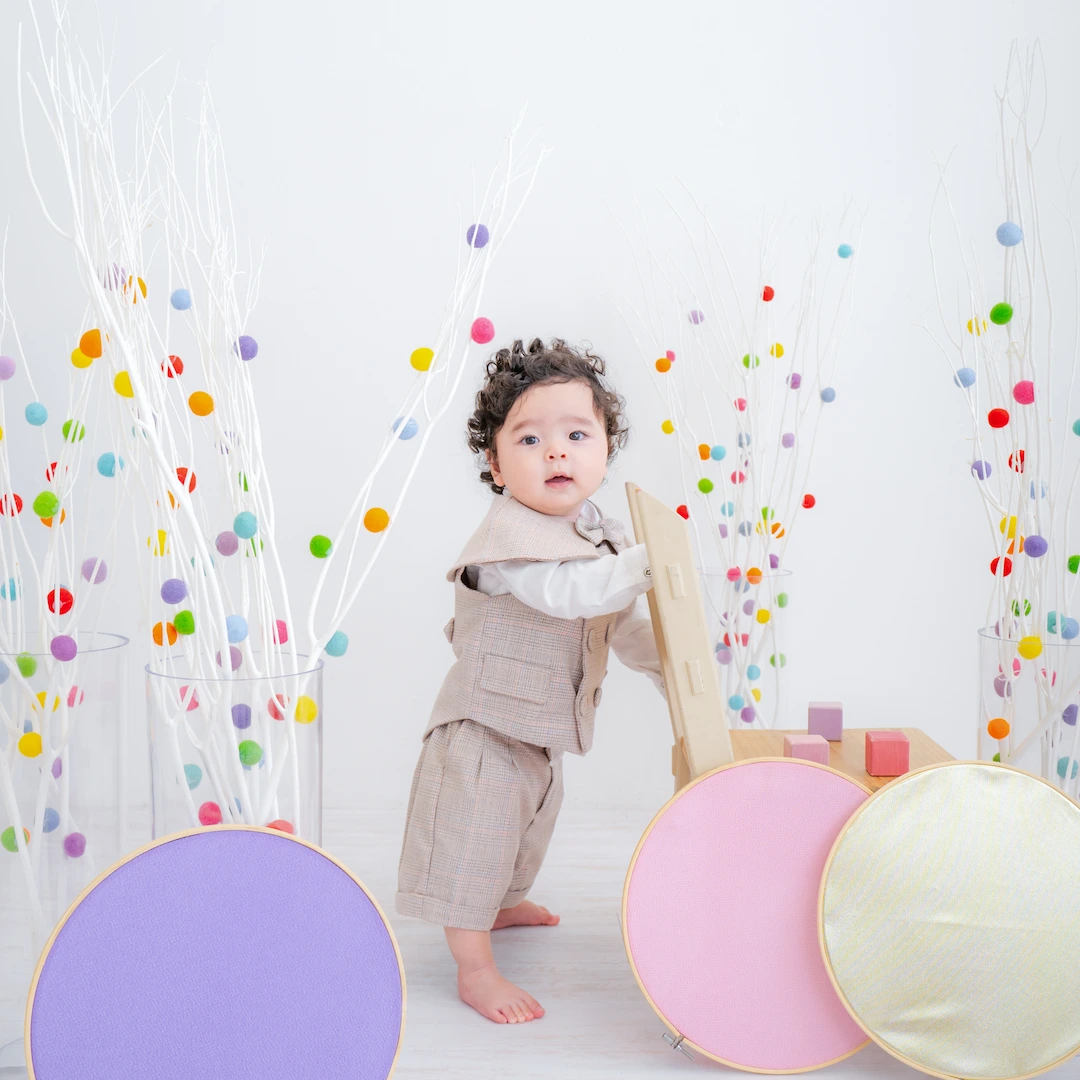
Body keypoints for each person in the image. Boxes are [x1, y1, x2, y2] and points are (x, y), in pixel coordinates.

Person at [396, 337, 663, 1024]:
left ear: (606, 448)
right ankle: (475, 969)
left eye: (577, 434)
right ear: (495, 464)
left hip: (537, 725)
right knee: (473, 839)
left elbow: (617, 621)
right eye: (530, 439)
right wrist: (650, 562)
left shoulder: (597, 539)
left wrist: (669, 669)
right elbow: (571, 595)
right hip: (483, 728)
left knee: (527, 829)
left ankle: (505, 901)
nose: (556, 453)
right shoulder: (507, 543)